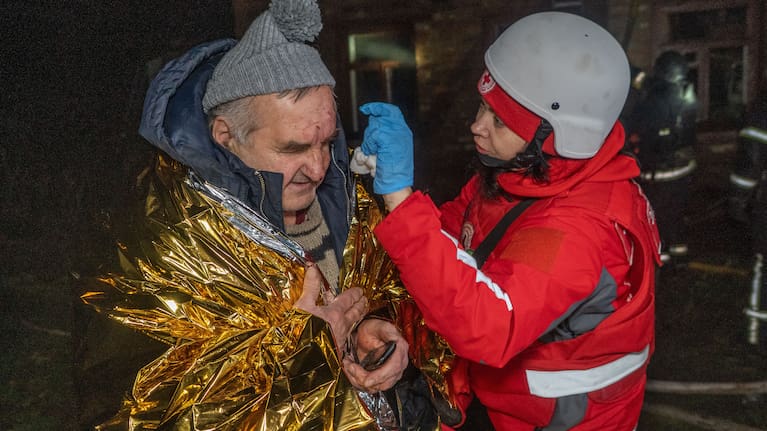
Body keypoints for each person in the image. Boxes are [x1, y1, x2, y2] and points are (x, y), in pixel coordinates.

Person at [74, 1, 443, 429]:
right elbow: (142, 411)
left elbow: (405, 298)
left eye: (326, 142)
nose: (320, 167)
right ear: (226, 137)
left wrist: (385, 334)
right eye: (294, 148)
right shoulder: (161, 241)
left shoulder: (348, 201)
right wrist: (306, 347)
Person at [354, 11, 661, 430]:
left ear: (554, 136)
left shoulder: (579, 229)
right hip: (501, 399)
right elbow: (455, 234)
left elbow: (486, 326)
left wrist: (400, 199)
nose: (476, 126)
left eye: (499, 120)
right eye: (483, 106)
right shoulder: (525, 174)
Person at [625, 50, 699, 264]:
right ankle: (679, 251)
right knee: (677, 211)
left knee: (657, 213)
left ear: (661, 72)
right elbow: (645, 81)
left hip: (660, 169)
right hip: (684, 167)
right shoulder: (687, 93)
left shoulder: (654, 99)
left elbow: (637, 124)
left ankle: (662, 255)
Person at [729, 90, 767, 347]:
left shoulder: (761, 116)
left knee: (762, 266)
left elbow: (749, 164)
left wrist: (738, 200)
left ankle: (757, 333)